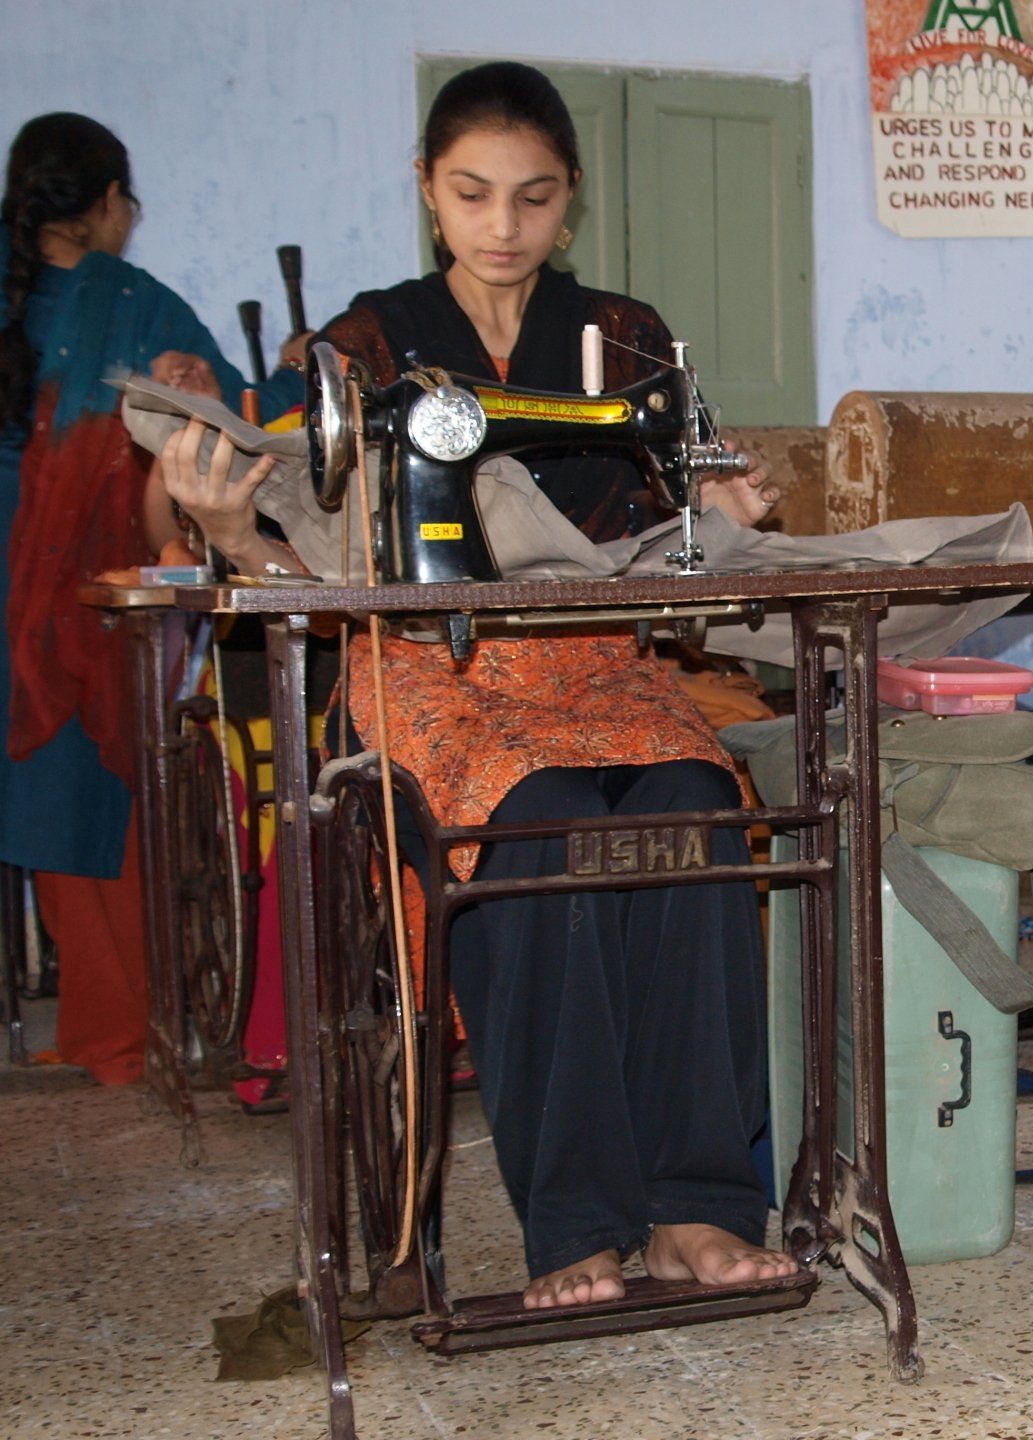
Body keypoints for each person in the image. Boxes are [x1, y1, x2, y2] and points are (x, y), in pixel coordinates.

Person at [162, 62, 796, 1306]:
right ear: (426, 190)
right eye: (472, 194)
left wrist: (728, 508)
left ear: (572, 197)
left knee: (695, 806)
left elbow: (691, 501)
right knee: (534, 818)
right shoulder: (364, 347)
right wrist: (232, 534)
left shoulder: (624, 336)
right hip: (424, 673)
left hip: (596, 664)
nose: (503, 226)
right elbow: (306, 561)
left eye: (534, 197)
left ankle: (698, 1208)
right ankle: (575, 1224)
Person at [0, 112, 298, 1085]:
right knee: (102, 797)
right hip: (85, 607)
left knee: (43, 799)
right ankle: (121, 1032)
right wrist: (297, 371)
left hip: (14, 596)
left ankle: (95, 1025)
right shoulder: (132, 302)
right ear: (109, 203)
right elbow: (243, 422)